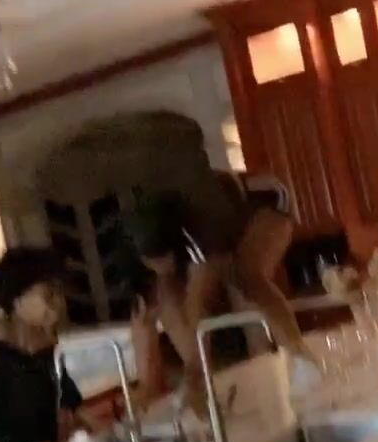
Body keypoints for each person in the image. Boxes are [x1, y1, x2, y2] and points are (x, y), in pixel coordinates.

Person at [127, 173, 318, 417]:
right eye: (151, 265)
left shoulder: (201, 228)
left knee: (244, 277)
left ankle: (299, 359)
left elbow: (198, 304)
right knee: (166, 292)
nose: (158, 270)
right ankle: (206, 386)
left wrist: (195, 372)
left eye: (162, 262)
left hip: (264, 203)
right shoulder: (136, 247)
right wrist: (146, 386)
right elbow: (143, 317)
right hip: (210, 219)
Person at [0, 247, 83, 442]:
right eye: (49, 295)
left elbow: (71, 406)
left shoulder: (46, 352)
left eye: (59, 294)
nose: (59, 303)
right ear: (16, 300)